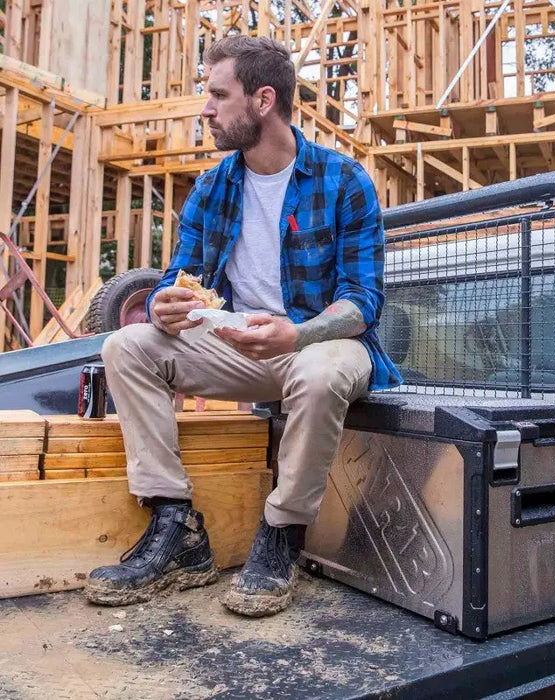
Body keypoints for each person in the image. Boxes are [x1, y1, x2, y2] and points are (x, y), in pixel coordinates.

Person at [85, 35, 401, 616]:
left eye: (217, 94)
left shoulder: (342, 180)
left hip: (325, 345)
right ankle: (176, 526)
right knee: (128, 345)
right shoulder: (213, 186)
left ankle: (281, 532)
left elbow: (364, 302)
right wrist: (161, 304)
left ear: (262, 100)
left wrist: (297, 334)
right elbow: (178, 278)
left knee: (320, 368)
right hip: (238, 345)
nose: (205, 108)